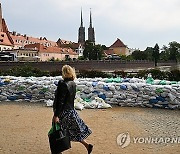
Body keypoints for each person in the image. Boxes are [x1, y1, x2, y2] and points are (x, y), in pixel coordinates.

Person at [52, 65, 93, 154]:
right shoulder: (73, 83)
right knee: (74, 132)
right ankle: (87, 145)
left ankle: (58, 151)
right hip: (71, 111)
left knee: (59, 131)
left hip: (63, 112)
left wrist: (56, 115)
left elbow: (61, 101)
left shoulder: (62, 84)